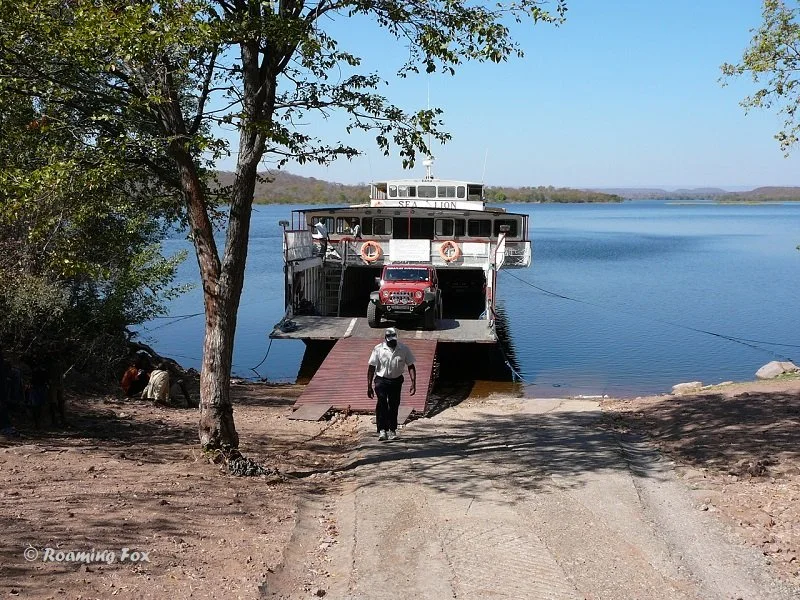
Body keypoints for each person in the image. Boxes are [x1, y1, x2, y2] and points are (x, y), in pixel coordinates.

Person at [367, 327, 416, 442]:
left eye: (394, 339)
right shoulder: (378, 349)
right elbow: (371, 367)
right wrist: (369, 386)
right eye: (390, 340)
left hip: (396, 381)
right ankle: (382, 430)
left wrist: (413, 382)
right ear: (385, 338)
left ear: (396, 338)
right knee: (382, 402)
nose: (392, 342)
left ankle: (392, 430)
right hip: (381, 380)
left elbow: (411, 366)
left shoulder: (404, 349)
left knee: (394, 405)